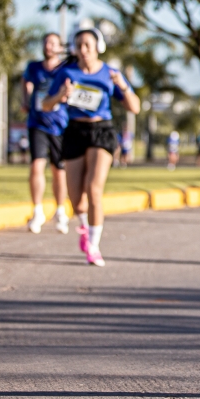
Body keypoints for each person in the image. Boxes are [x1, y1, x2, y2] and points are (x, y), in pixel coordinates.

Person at [43, 27, 141, 266]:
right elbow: (46, 105)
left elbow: (135, 107)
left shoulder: (110, 73)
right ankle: (85, 227)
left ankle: (94, 246)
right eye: (79, 45)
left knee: (94, 188)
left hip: (102, 131)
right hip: (75, 131)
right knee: (77, 200)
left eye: (88, 44)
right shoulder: (67, 73)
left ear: (98, 47)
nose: (83, 49)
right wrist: (60, 95)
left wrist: (122, 85)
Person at [22, 32, 70, 235]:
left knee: (59, 169)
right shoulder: (33, 67)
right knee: (37, 165)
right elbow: (25, 82)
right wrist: (25, 100)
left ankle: (60, 211)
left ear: (59, 47)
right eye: (45, 43)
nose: (48, 46)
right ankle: (37, 211)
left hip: (60, 124)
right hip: (37, 123)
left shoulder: (66, 69)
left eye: (52, 43)